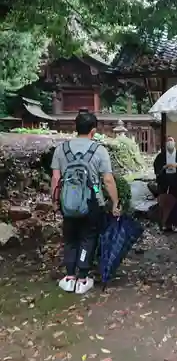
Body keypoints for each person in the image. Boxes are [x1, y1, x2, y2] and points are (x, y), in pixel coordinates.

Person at [51, 111, 120, 295]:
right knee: (88, 238)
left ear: (76, 127)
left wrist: (55, 201)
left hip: (67, 201)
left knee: (70, 238)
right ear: (93, 130)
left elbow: (56, 178)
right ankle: (82, 278)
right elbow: (108, 180)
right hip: (92, 200)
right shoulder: (99, 150)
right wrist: (115, 202)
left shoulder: (61, 149)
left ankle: (69, 277)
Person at [153, 137, 177, 233]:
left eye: (171, 141)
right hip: (165, 181)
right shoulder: (161, 156)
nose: (169, 143)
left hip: (176, 180)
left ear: (174, 143)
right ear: (165, 144)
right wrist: (164, 167)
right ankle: (166, 223)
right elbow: (157, 167)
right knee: (165, 202)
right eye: (168, 141)